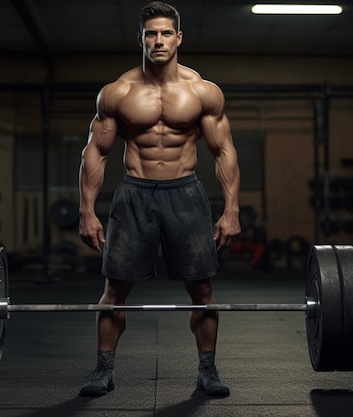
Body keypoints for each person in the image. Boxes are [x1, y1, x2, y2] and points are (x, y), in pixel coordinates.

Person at [78, 1, 241, 397]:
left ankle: (207, 370)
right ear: (141, 39)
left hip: (185, 192)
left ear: (179, 37)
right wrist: (87, 211)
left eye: (166, 33)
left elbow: (224, 152)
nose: (159, 40)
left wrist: (231, 209)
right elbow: (95, 153)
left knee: (201, 291)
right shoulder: (118, 92)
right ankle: (103, 370)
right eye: (151, 33)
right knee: (114, 290)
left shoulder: (202, 91)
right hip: (134, 193)